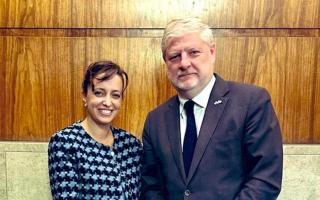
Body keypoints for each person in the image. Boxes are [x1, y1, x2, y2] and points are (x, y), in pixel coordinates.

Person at [141, 18, 283, 199]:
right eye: (175, 56)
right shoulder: (155, 120)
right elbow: (151, 186)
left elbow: (265, 178)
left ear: (212, 52)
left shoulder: (251, 102)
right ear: (166, 62)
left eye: (193, 52)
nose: (184, 63)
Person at [48, 61, 142, 199]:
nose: (108, 102)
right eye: (99, 93)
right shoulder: (64, 143)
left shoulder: (131, 145)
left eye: (115, 95)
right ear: (85, 95)